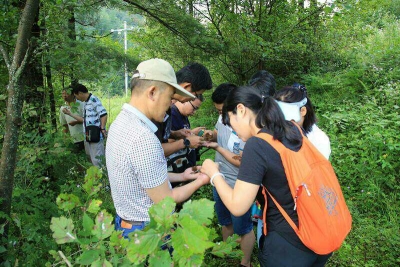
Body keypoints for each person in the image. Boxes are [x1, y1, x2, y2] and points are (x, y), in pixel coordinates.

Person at [201, 86, 332, 266]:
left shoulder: (257, 144)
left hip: (290, 243)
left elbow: (237, 206)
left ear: (240, 110)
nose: (232, 128)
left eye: (230, 120)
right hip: (319, 230)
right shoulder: (290, 128)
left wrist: (214, 173)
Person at [105, 58, 209, 238]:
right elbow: (165, 199)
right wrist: (202, 179)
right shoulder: (144, 138)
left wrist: (183, 176)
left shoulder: (119, 124)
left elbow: (144, 175)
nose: (171, 105)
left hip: (126, 225)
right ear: (152, 92)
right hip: (148, 231)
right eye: (170, 97)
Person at [204, 83, 254, 267]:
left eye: (222, 111)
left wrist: (218, 148)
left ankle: (244, 262)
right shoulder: (223, 118)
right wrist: (212, 136)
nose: (221, 116)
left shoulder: (248, 129)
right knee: (225, 222)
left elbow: (243, 161)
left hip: (238, 184)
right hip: (219, 178)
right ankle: (226, 252)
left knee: (243, 228)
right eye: (218, 111)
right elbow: (219, 133)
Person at [154, 62, 213, 158]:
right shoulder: (157, 108)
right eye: (196, 94)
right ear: (186, 86)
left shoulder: (167, 107)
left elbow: (158, 136)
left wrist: (174, 134)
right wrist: (186, 142)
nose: (194, 99)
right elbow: (151, 151)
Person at [274, 83, 331, 159]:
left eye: (286, 112)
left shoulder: (319, 140)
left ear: (303, 111)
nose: (282, 118)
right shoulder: (272, 132)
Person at [71, 83, 108, 167]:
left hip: (96, 134)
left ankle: (101, 177)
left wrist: (102, 128)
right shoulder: (86, 102)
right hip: (89, 134)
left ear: (80, 93)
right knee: (92, 157)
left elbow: (103, 114)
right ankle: (97, 176)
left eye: (76, 96)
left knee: (98, 158)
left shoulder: (93, 100)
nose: (76, 98)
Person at [167, 96, 204, 173]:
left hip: (185, 167)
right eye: (194, 108)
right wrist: (189, 139)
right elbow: (169, 142)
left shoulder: (183, 115)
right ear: (186, 100)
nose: (194, 112)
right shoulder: (172, 115)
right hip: (175, 170)